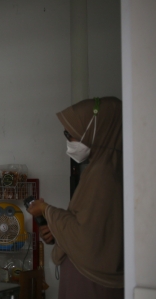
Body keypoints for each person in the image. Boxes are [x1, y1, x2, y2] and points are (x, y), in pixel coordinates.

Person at [28, 97, 123, 299]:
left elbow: (87, 241)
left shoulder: (102, 174)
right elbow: (92, 227)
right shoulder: (112, 168)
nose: (69, 141)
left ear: (97, 132)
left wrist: (46, 210)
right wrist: (56, 231)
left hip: (90, 283)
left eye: (70, 134)